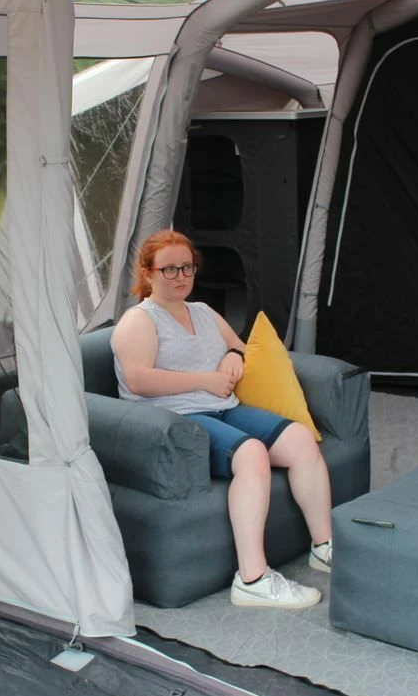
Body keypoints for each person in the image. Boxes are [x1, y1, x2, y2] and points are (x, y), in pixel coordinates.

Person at [111, 230, 334, 609]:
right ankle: (252, 579)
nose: (181, 276)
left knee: (299, 439)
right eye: (169, 269)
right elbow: (138, 380)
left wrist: (234, 355)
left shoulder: (203, 311)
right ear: (148, 273)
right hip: (178, 419)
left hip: (223, 406)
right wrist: (205, 380)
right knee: (251, 454)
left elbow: (239, 346)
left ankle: (323, 546)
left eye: (187, 267)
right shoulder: (139, 320)